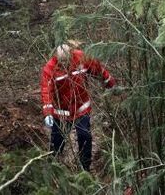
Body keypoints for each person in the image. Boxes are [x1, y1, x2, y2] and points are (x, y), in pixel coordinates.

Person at [40, 44, 117, 172]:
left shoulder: (81, 58)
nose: (64, 64)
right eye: (61, 62)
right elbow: (46, 90)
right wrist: (48, 112)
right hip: (61, 112)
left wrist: (110, 84)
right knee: (57, 140)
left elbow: (97, 69)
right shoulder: (50, 68)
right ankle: (54, 166)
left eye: (66, 61)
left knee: (85, 136)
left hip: (81, 108)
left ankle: (85, 168)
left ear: (71, 54)